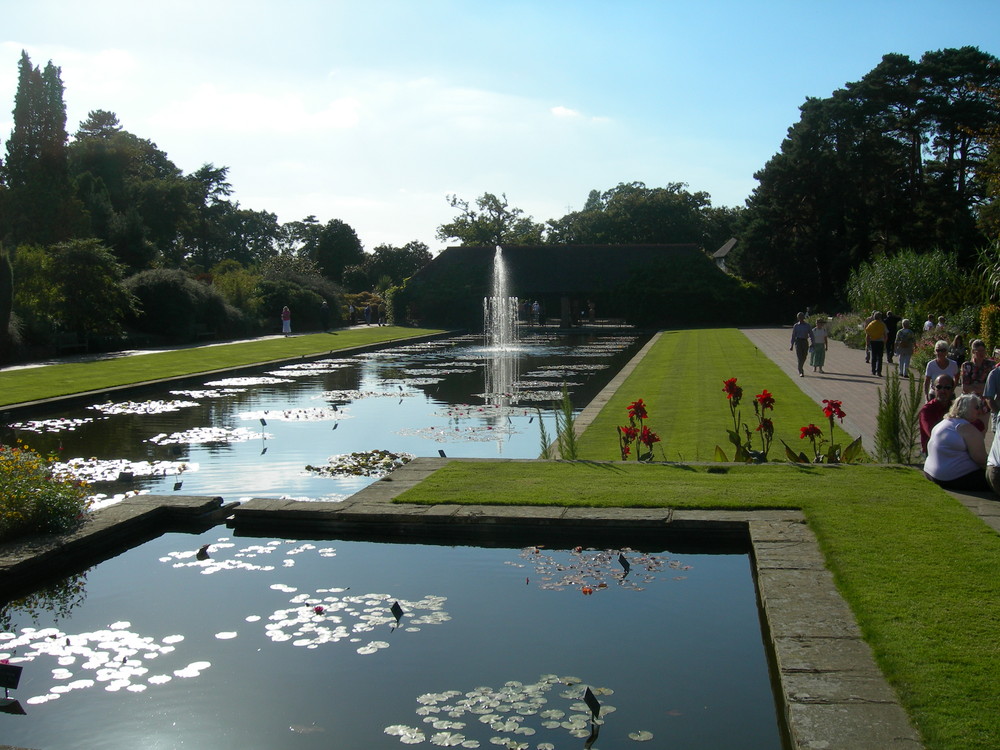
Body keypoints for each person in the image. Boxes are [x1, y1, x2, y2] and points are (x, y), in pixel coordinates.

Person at [923, 393, 989, 491]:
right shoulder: (966, 428)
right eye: (977, 407)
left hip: (930, 472)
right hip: (951, 477)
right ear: (966, 408)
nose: (980, 411)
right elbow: (981, 459)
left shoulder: (944, 422)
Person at [789, 312, 812, 377]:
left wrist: (813, 342)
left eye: (801, 317)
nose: (800, 318)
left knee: (804, 356)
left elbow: (811, 334)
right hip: (798, 341)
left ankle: (800, 367)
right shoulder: (796, 326)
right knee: (799, 357)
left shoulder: (807, 326)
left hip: (805, 341)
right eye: (799, 317)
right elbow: (793, 336)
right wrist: (791, 345)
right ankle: (801, 371)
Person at [864, 311, 888, 376]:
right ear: (880, 317)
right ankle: (879, 371)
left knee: (873, 356)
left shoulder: (871, 324)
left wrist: (867, 343)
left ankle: (873, 370)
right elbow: (885, 335)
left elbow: (867, 335)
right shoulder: (882, 324)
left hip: (873, 341)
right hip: (880, 342)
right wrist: (885, 342)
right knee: (880, 357)